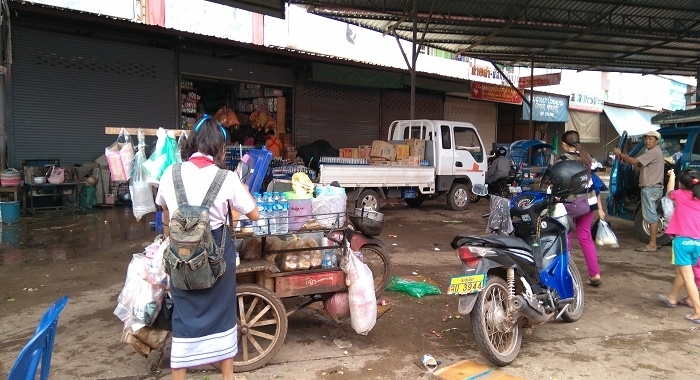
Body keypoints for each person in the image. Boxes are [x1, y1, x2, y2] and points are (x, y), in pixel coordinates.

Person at [155, 115, 259, 380]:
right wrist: (242, 190)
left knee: (184, 318)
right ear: (220, 148)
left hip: (181, 257)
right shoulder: (226, 178)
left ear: (192, 143)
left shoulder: (170, 173)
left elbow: (164, 209)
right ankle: (228, 378)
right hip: (216, 259)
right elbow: (254, 214)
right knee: (222, 317)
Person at [558, 130, 603, 286]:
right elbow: (595, 173)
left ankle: (567, 276)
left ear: (564, 145)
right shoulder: (587, 158)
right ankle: (595, 274)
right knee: (586, 238)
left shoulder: (562, 160)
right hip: (588, 204)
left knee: (566, 238)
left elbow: (557, 181)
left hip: (570, 205)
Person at [658, 169, 700, 324]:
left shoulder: (680, 195)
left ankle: (698, 311)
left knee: (687, 277)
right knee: (682, 272)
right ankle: (672, 297)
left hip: (682, 242)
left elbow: (669, 191)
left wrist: (672, 177)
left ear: (681, 184)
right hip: (698, 243)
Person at [613, 130, 665, 252]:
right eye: (646, 139)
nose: (647, 141)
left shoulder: (653, 152)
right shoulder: (656, 152)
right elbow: (638, 165)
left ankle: (652, 245)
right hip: (655, 188)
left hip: (650, 189)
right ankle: (654, 243)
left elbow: (635, 161)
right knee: (653, 215)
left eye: (650, 139)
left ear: (656, 141)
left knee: (651, 217)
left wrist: (621, 154)